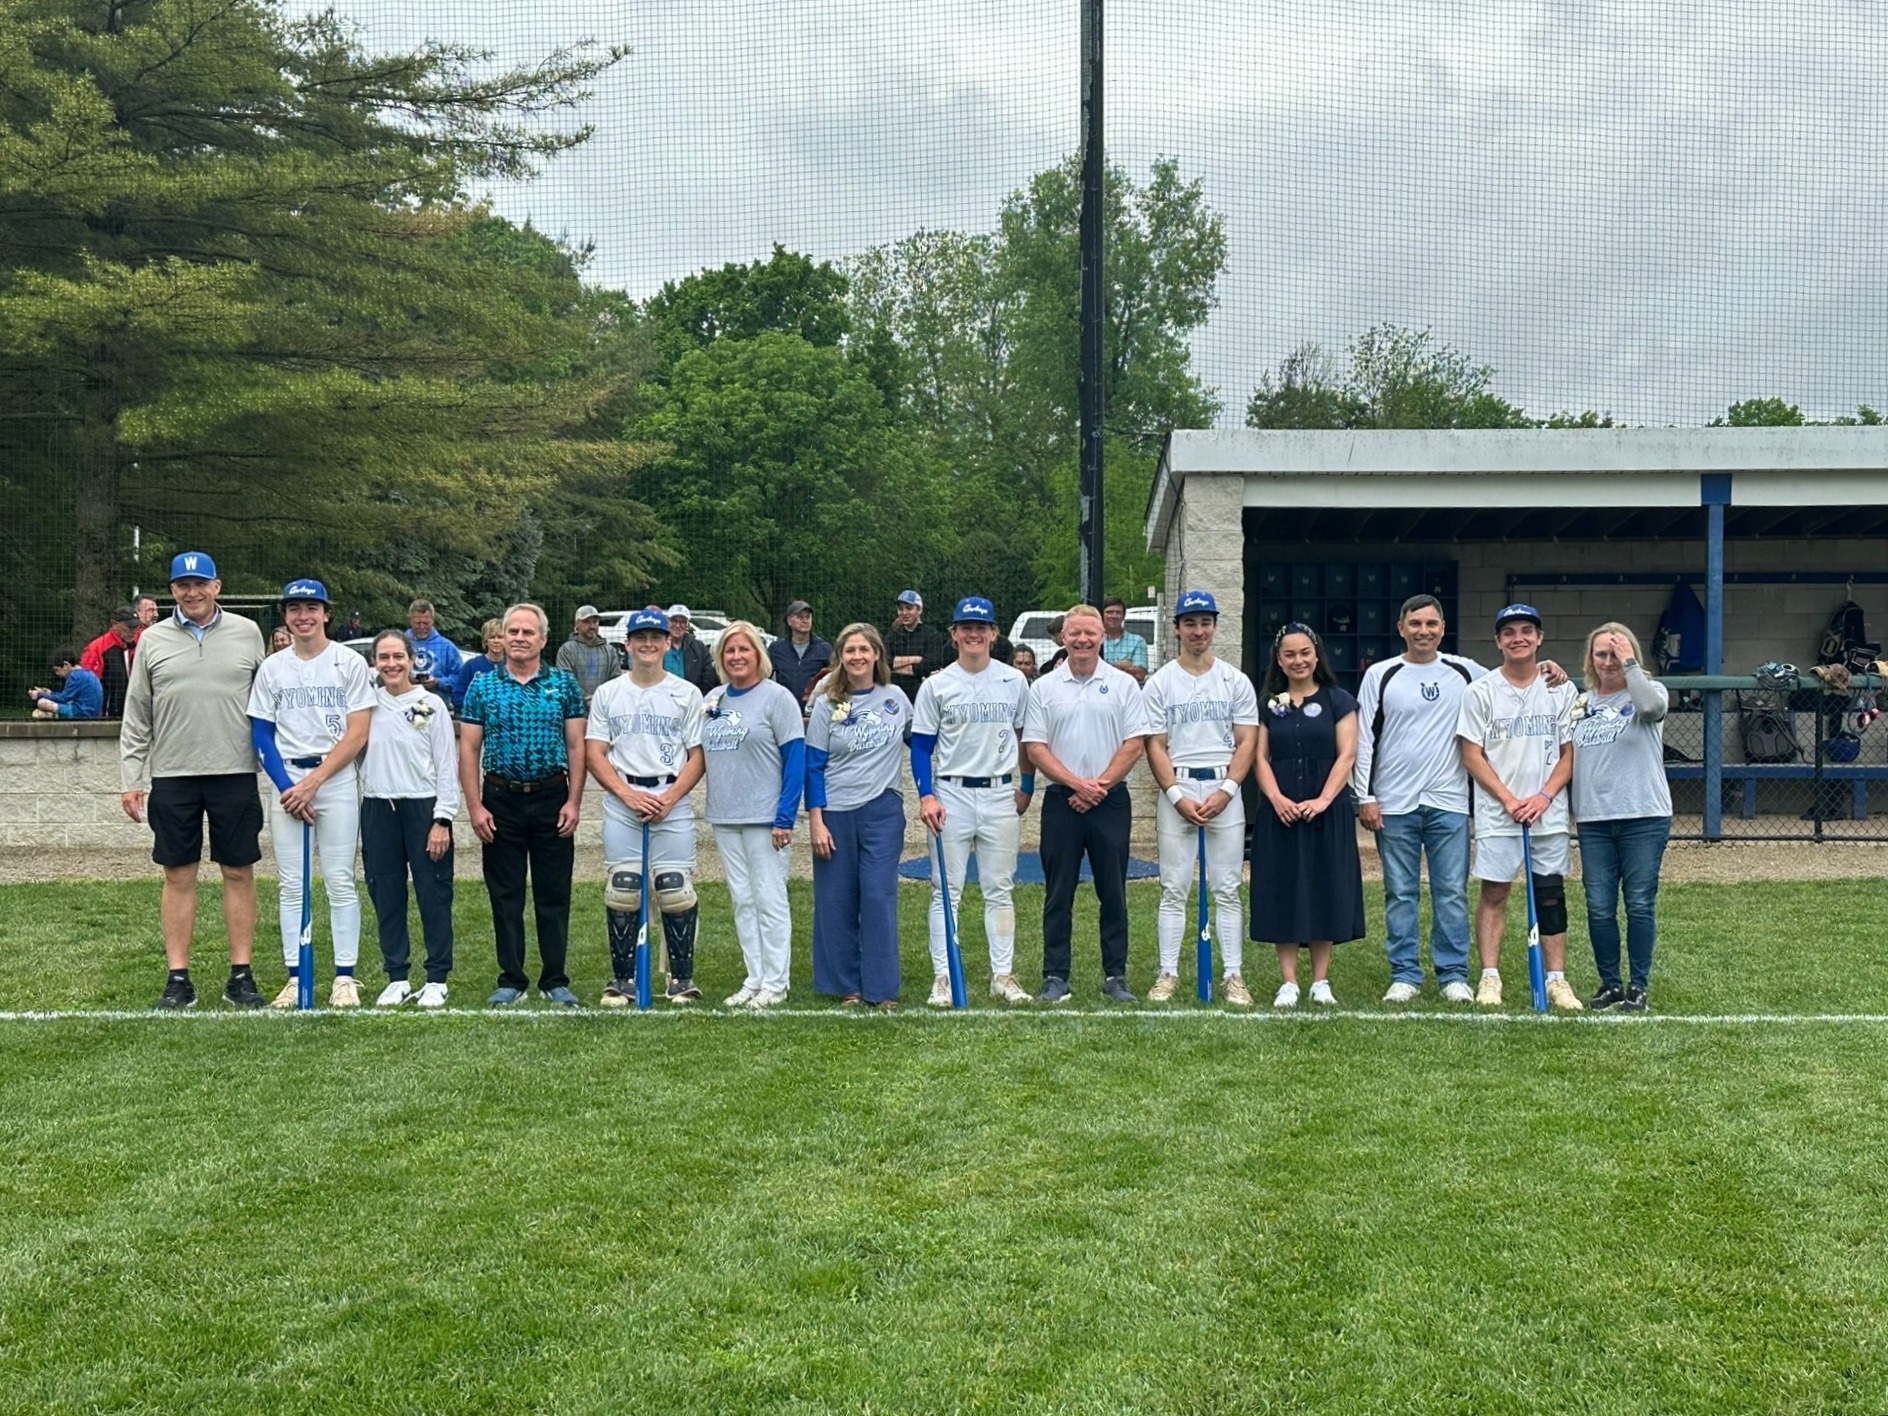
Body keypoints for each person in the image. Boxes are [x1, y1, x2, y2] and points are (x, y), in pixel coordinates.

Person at [120, 551, 269, 1010]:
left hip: (235, 772)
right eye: (183, 585)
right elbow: (137, 712)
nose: (192, 592)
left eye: (200, 583)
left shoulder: (248, 633)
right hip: (173, 775)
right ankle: (178, 978)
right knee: (178, 873)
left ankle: (241, 975)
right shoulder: (153, 639)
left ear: (217, 587)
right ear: (172, 591)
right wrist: (132, 776)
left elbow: (268, 704)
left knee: (238, 870)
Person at [1352, 594, 1487, 1005]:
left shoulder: (1466, 672)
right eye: (1415, 624)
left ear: (1442, 628)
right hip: (1394, 804)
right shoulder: (1381, 674)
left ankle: (1453, 975)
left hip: (1449, 801)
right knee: (1400, 892)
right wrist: (1365, 796)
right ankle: (1405, 974)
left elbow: (1512, 680)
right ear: (1401, 628)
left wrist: (1547, 669)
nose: (1423, 631)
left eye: (1431, 624)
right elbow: (1363, 739)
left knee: (1451, 891)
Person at [248, 579, 376, 1008]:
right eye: (295, 608)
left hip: (334, 779)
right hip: (288, 784)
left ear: (326, 613)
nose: (304, 616)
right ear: (286, 615)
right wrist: (290, 788)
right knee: (291, 885)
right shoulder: (273, 667)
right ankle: (294, 976)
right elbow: (261, 734)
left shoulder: (348, 662)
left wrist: (314, 782)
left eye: (312, 608)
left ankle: (344, 976)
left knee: (340, 880)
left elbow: (358, 732)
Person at [458, 603, 588, 1007]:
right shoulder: (483, 686)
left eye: (527, 632)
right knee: (506, 894)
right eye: (512, 631)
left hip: (552, 798)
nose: (518, 638)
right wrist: (476, 807)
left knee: (553, 894)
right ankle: (511, 979)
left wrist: (574, 802)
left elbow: (576, 745)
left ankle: (554, 979)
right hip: (500, 800)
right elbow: (469, 749)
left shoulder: (564, 685)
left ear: (543, 639)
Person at [1456, 604, 1583, 1011]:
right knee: (1494, 892)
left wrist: (1543, 796)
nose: (1518, 638)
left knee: (1550, 894)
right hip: (1500, 812)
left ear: (1540, 638)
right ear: (1498, 641)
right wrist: (1509, 799)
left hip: (1547, 810)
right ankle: (1490, 976)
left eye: (1527, 631)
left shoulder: (1561, 690)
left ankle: (1557, 979)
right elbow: (1472, 754)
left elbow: (1570, 752)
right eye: (1509, 632)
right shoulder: (1480, 691)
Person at [1023, 603, 1149, 1003]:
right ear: (1063, 637)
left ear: (1101, 637)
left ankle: (1115, 976)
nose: (1082, 640)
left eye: (1089, 634)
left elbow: (1135, 744)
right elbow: (1035, 748)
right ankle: (1055, 976)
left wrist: (1101, 786)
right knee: (1058, 893)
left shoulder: (1125, 685)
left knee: (1113, 891)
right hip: (1062, 802)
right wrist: (1078, 785)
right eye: (1074, 633)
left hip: (1111, 803)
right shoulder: (1044, 688)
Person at [911, 596, 1034, 1007]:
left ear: (994, 633)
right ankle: (943, 977)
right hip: (951, 792)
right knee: (946, 891)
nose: (974, 634)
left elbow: (1023, 738)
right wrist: (926, 794)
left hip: (1000, 791)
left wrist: (1028, 785)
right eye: (966, 627)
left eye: (981, 627)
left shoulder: (1014, 681)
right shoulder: (937, 684)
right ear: (954, 634)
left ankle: (1003, 974)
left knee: (1000, 888)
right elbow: (920, 747)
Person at [584, 609, 708, 1006]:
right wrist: (627, 795)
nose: (649, 644)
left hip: (672, 799)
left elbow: (697, 756)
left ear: (669, 642)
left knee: (674, 888)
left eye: (656, 637)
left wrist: (669, 799)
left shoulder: (686, 692)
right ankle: (624, 980)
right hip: (625, 800)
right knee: (624, 888)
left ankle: (681, 979)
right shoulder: (609, 693)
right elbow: (595, 753)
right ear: (628, 644)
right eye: (641, 638)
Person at [1143, 591, 1260, 1005]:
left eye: (1205, 623)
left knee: (1227, 887)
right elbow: (1155, 744)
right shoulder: (1160, 682)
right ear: (1176, 628)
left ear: (1214, 626)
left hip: (1223, 789)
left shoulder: (1234, 679)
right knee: (1174, 887)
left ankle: (1233, 975)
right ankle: (1168, 973)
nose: (1198, 631)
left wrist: (1228, 791)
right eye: (1189, 623)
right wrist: (1175, 795)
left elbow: (1247, 740)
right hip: (1179, 788)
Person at [1251, 623, 1366, 1007]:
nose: (1298, 660)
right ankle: (1288, 981)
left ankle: (1320, 980)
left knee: (1323, 886)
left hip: (1325, 812)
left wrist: (1323, 800)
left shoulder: (1339, 700)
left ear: (1316, 655)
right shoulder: (1269, 703)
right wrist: (1276, 798)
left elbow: (1346, 754)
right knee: (1283, 887)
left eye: (1304, 652)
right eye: (1289, 654)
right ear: (1279, 660)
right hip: (1280, 812)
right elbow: (1259, 757)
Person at [702, 621, 805, 1009]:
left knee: (769, 898)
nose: (736, 657)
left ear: (758, 654)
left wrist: (784, 817)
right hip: (726, 815)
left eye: (744, 650)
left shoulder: (777, 698)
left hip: (766, 818)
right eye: (729, 651)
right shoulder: (713, 699)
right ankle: (755, 977)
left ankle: (776, 983)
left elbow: (795, 758)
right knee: (742, 900)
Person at [807, 623, 910, 1007]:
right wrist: (816, 819)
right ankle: (845, 985)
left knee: (879, 895)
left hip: (882, 809)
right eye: (849, 650)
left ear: (877, 655)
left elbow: (921, 742)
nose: (857, 657)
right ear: (840, 657)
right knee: (836, 899)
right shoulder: (827, 704)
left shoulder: (896, 698)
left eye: (864, 649)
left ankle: (882, 988)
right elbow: (813, 765)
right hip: (835, 811)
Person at [1570, 623, 1671, 1013]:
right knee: (1598, 905)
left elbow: (1649, 709)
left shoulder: (1649, 690)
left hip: (1643, 815)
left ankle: (1638, 986)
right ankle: (1610, 983)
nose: (1608, 662)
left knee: (1640, 904)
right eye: (1601, 654)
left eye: (1616, 654)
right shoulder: (1582, 702)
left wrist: (1631, 664)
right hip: (1595, 819)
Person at [360, 629, 458, 1008]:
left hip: (423, 809)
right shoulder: (366, 706)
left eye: (398, 656)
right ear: (375, 663)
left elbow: (446, 766)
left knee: (433, 893)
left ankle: (437, 977)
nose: (391, 664)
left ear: (412, 659)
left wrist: (443, 819)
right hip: (378, 808)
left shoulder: (429, 704)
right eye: (383, 657)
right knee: (386, 894)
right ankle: (397, 975)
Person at [886, 590, 949, 701]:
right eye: (901, 609)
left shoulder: (932, 635)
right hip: (893, 696)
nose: (904, 612)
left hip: (922, 695)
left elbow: (931, 665)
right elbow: (884, 662)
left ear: (919, 610)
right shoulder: (892, 635)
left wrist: (895, 667)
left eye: (909, 608)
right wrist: (916, 659)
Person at [555, 603, 622, 704]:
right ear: (577, 624)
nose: (592, 626)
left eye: (595, 622)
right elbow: (565, 681)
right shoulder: (566, 650)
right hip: (575, 710)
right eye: (587, 622)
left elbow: (616, 680)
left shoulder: (609, 650)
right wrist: (587, 699)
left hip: (604, 707)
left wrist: (600, 700)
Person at [79, 605, 138, 717]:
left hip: (132, 713)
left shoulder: (137, 645)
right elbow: (87, 684)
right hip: (107, 715)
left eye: (136, 627)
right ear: (115, 625)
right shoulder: (97, 648)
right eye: (129, 627)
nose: (134, 631)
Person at [772, 599, 833, 706]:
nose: (805, 621)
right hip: (784, 709)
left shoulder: (824, 649)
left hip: (814, 710)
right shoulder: (776, 648)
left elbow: (834, 679)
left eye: (807, 617)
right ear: (789, 621)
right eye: (800, 617)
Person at [407, 598, 462, 697]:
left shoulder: (447, 647)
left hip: (438, 704)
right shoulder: (400, 643)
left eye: (426, 623)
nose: (422, 627)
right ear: (410, 620)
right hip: (404, 704)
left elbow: (460, 678)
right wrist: (406, 679)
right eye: (418, 623)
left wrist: (438, 682)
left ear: (432, 620)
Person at [29, 647, 103, 721]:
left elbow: (63, 699)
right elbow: (67, 696)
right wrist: (50, 693)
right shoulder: (87, 674)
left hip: (81, 713)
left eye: (57, 670)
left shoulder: (75, 676)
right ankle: (52, 715)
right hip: (93, 714)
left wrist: (39, 695)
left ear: (66, 664)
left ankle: (52, 715)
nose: (57, 674)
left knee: (42, 703)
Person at [664, 604, 720, 695]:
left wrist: (696, 696)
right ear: (667, 622)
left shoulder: (699, 647)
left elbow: (709, 675)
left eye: (682, 622)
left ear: (687, 625)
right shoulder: (658, 646)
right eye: (674, 621)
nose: (678, 625)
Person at [454, 619, 505, 710]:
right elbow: (457, 697)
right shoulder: (470, 666)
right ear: (486, 641)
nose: (496, 641)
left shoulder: (514, 665)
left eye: (500, 637)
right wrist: (478, 707)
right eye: (492, 637)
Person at [1100, 596, 1149, 685]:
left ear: (1123, 616)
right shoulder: (1095, 640)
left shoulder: (1137, 641)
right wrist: (1117, 665)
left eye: (1118, 612)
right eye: (1109, 612)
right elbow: (1089, 670)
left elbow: (1140, 674)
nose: (1114, 616)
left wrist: (1104, 667)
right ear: (1102, 615)